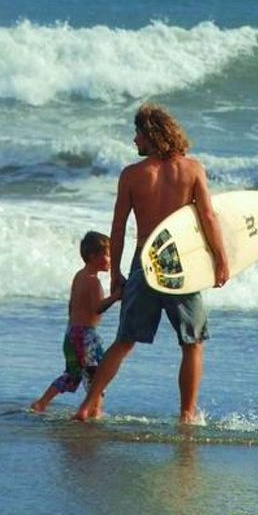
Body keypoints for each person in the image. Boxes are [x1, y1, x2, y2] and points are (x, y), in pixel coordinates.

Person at [74, 104, 229, 424]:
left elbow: (117, 229)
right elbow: (208, 218)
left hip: (144, 259)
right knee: (193, 342)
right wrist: (221, 259)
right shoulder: (192, 170)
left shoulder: (132, 175)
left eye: (139, 134)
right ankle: (187, 415)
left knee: (125, 339)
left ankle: (88, 406)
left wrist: (116, 272)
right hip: (178, 262)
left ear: (153, 135)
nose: (134, 140)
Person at [30, 231, 121, 414]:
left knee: (73, 374)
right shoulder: (93, 281)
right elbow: (97, 307)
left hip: (72, 332)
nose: (111, 259)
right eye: (108, 255)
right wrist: (117, 296)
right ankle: (94, 410)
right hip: (85, 335)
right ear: (93, 256)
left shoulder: (79, 276)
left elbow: (71, 305)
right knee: (96, 375)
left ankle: (41, 403)